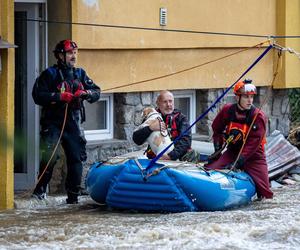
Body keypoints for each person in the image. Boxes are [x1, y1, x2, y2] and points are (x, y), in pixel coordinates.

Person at [32, 39, 101, 204]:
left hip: (73, 123)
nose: (73, 56)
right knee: (50, 156)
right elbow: (37, 95)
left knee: (76, 158)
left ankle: (73, 197)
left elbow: (97, 91)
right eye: (70, 53)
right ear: (60, 56)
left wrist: (86, 93)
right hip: (53, 123)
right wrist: (59, 96)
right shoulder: (50, 74)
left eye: (75, 53)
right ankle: (39, 193)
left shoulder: (80, 74)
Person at [206, 79, 273, 199]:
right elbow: (217, 129)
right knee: (210, 170)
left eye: (251, 97)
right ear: (237, 97)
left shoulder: (258, 116)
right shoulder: (227, 110)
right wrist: (217, 149)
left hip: (254, 156)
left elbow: (254, 143)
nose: (250, 100)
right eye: (246, 97)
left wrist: (239, 161)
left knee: (265, 192)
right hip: (232, 151)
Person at [133, 90, 191, 160]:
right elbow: (137, 140)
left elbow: (186, 141)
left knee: (192, 154)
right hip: (154, 159)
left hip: (176, 160)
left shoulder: (181, 118)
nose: (168, 104)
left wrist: (170, 156)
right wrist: (150, 128)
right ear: (158, 103)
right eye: (165, 102)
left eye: (170, 101)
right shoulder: (152, 116)